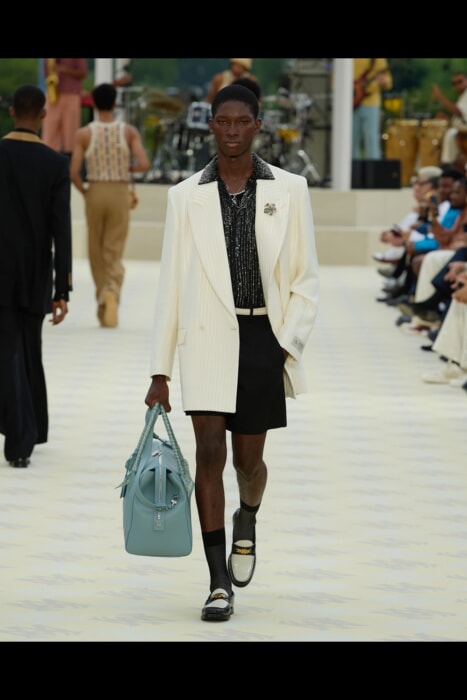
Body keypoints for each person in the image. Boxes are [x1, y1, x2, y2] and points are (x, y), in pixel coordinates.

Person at [144, 84, 319, 622]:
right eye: (225, 121)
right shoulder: (184, 196)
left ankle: (249, 515)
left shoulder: (289, 189)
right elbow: (170, 285)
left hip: (264, 337)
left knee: (248, 462)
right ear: (212, 125)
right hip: (205, 339)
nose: (234, 130)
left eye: (244, 121)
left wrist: (285, 346)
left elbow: (306, 280)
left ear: (258, 126)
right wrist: (159, 371)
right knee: (209, 455)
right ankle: (218, 582)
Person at [0, 84, 72, 468]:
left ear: (12, 112)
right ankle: (26, 433)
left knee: (8, 350)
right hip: (35, 271)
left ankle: (20, 434)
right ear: (43, 115)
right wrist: (62, 289)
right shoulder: (55, 164)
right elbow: (62, 230)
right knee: (28, 349)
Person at [70, 83, 150, 328]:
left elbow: (73, 172)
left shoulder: (84, 134)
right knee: (114, 247)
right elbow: (144, 164)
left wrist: (86, 192)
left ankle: (103, 296)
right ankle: (112, 289)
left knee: (96, 248)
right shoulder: (128, 132)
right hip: (119, 191)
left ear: (93, 104)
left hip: (95, 190)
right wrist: (127, 168)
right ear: (115, 104)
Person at [41, 58, 88, 159]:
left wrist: (63, 69)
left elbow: (83, 72)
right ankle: (49, 156)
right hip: (53, 94)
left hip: (71, 93)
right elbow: (45, 71)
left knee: (71, 129)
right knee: (50, 129)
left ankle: (70, 158)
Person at [352, 59, 393, 160]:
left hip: (371, 102)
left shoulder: (378, 60)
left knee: (371, 139)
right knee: (351, 140)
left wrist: (384, 81)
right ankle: (352, 168)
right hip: (350, 102)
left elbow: (388, 81)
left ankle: (373, 168)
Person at [431, 71, 467, 164]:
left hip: (463, 135)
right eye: (454, 83)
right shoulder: (462, 97)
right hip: (461, 133)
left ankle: (448, 165)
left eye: (460, 81)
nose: (457, 85)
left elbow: (458, 111)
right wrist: (448, 120)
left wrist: (440, 97)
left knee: (451, 134)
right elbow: (462, 120)